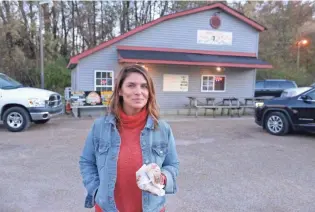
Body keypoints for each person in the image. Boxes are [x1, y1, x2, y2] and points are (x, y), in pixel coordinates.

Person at [79, 64, 180, 212]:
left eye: (144, 86)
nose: (138, 92)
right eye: (131, 85)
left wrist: (162, 178)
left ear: (150, 92)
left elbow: (173, 164)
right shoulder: (100, 127)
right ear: (120, 90)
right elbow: (86, 162)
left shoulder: (162, 129)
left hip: (151, 208)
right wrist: (96, 190)